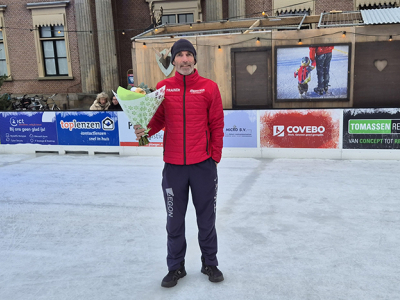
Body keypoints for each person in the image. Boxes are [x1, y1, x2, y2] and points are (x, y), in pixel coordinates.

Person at [134, 39, 224, 288]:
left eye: (189, 55)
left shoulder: (209, 88)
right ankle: (176, 267)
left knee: (206, 219)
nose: (185, 60)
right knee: (174, 220)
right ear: (173, 61)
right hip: (173, 167)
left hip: (203, 166)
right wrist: (143, 131)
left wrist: (214, 157)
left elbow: (217, 124)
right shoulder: (164, 88)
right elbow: (158, 121)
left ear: (195, 59)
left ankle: (210, 263)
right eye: (180, 56)